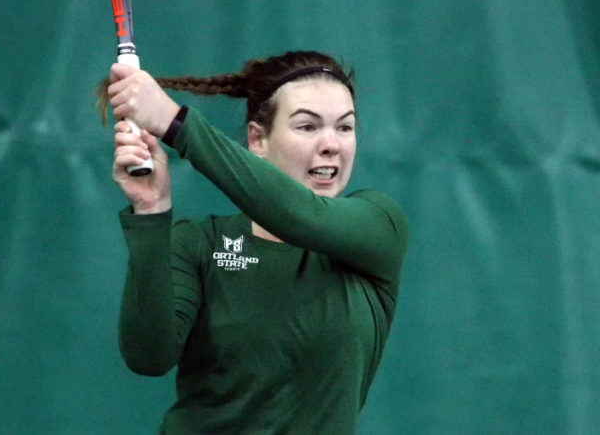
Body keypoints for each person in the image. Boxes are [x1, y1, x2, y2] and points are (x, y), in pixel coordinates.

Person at [102, 50, 409, 434]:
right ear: (257, 140)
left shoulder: (380, 227)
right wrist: (151, 211)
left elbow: (300, 215)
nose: (332, 144)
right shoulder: (200, 243)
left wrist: (174, 123)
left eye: (345, 127)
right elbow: (148, 357)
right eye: (307, 127)